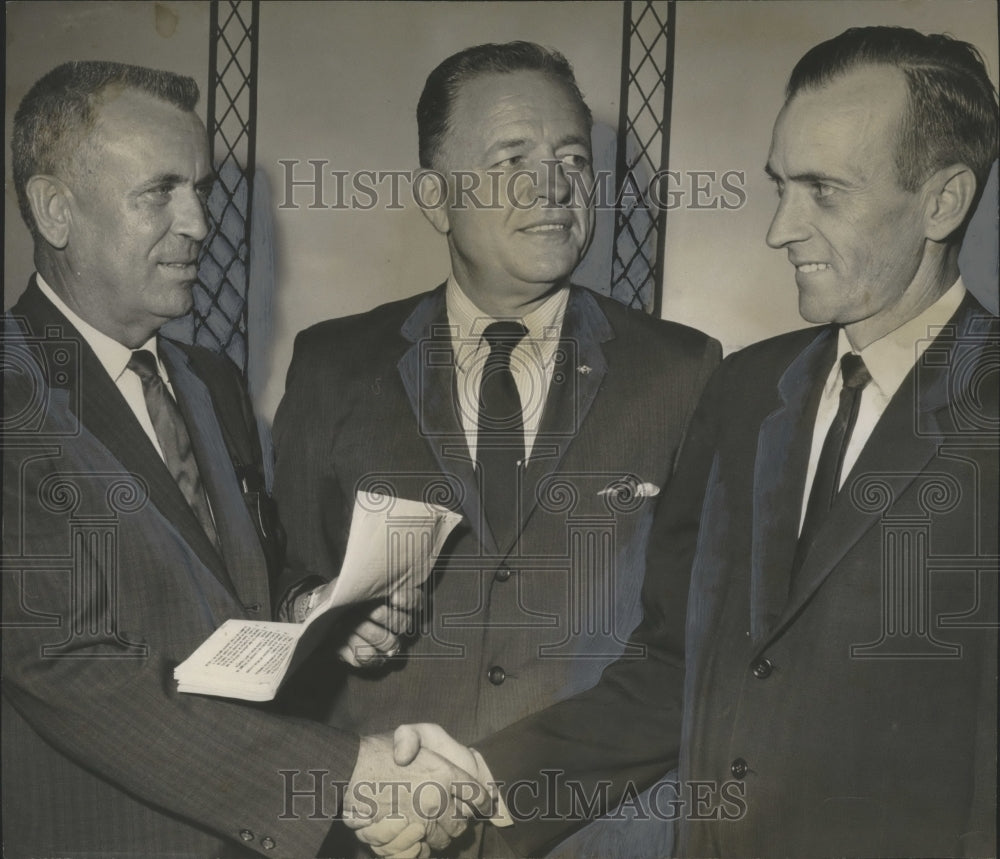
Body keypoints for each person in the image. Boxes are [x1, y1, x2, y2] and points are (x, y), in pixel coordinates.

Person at [407, 26, 999, 858]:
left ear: (943, 200)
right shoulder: (746, 391)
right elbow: (672, 666)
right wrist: (478, 782)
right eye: (779, 186)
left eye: (824, 190)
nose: (780, 229)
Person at [1, 61, 488, 859]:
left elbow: (234, 584)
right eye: (159, 191)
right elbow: (70, 667)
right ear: (55, 210)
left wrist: (318, 610)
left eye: (200, 187)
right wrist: (344, 777)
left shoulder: (208, 381)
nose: (198, 221)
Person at [271, 41, 721, 856]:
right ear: (436, 197)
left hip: (593, 833)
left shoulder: (684, 370)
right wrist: (316, 612)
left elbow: (690, 647)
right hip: (378, 834)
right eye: (513, 158)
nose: (554, 185)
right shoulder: (333, 363)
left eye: (573, 158)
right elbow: (273, 571)